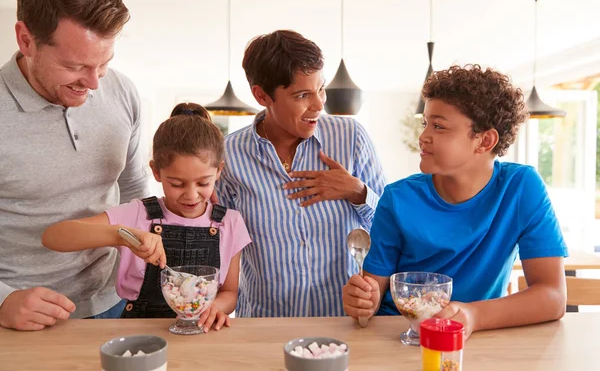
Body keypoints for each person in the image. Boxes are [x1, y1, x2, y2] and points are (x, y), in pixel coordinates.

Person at [342, 65, 568, 338]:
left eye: (439, 126)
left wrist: (472, 315)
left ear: (484, 140)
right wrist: (363, 300)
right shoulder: (397, 198)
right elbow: (374, 290)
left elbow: (552, 296)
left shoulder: (521, 188)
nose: (423, 136)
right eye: (425, 123)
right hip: (400, 336)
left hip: (480, 336)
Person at [0, 0, 149, 330]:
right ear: (26, 39)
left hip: (114, 300)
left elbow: (133, 191)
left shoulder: (122, 92)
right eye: (75, 66)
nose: (95, 83)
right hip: (22, 317)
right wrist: (2, 299)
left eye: (104, 64)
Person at [216, 30, 386, 317]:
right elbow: (216, 239)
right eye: (302, 95)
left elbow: (390, 228)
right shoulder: (229, 156)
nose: (319, 104)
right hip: (264, 324)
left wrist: (358, 192)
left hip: (342, 322)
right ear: (262, 95)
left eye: (321, 89)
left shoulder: (351, 138)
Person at [43, 103, 251, 332]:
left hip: (201, 333)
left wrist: (217, 306)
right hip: (138, 333)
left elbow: (230, 292)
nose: (191, 195)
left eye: (203, 183)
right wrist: (122, 235)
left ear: (219, 171)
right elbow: (53, 237)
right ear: (156, 172)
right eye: (176, 184)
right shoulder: (138, 215)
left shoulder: (229, 223)